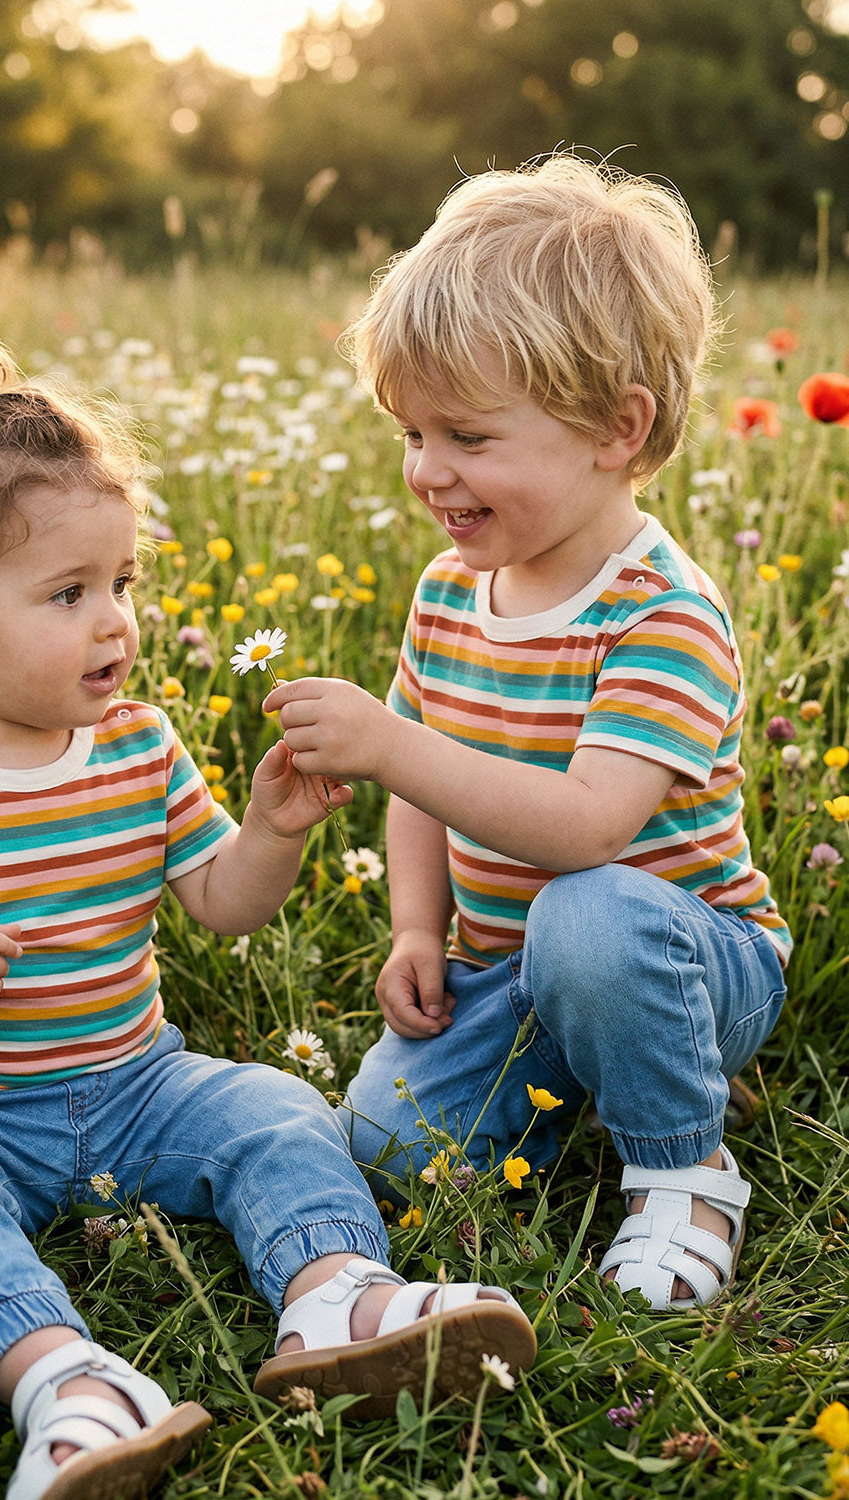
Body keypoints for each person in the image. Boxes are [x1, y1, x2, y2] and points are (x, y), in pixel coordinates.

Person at [0, 332, 536, 1500]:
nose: (117, 621)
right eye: (69, 594)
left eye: (122, 583)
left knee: (276, 1109)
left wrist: (272, 833)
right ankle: (65, 1379)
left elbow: (222, 906)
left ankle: (337, 1297)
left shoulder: (137, 746)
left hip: (135, 1082)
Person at [264, 155, 790, 1314]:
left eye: (466, 436)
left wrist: (393, 746)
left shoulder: (661, 616)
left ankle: (684, 1166)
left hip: (687, 957)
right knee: (383, 1144)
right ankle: (593, 1085)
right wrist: (417, 928)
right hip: (510, 973)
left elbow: (592, 829)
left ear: (616, 428)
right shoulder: (452, 592)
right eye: (410, 433)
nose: (428, 472)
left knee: (589, 916)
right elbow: (424, 795)